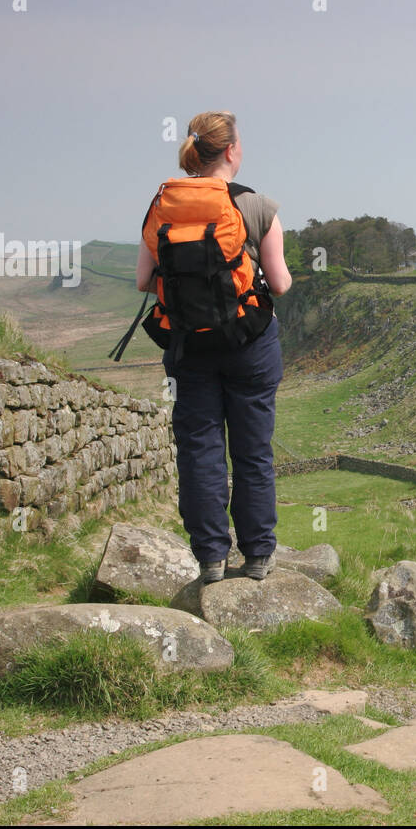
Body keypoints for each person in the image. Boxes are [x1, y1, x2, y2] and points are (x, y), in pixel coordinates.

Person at [135, 111, 293, 582]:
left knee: (200, 448)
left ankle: (210, 558)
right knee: (252, 449)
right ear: (231, 151)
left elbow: (144, 280)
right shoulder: (257, 205)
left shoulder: (162, 205)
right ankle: (258, 554)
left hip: (188, 346)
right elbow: (280, 284)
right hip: (250, 343)